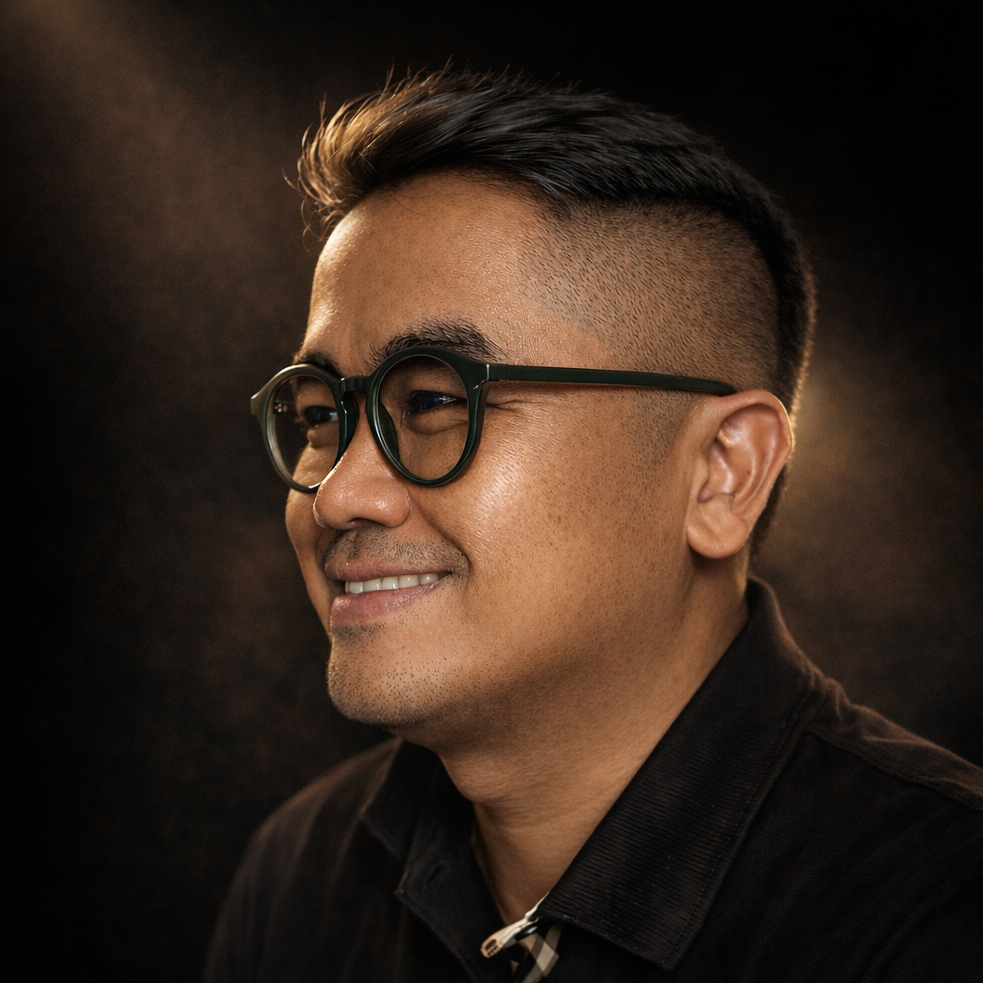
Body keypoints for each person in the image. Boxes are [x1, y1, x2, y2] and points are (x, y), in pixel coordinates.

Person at [205, 71, 982, 983]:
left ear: (722, 471)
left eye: (434, 401)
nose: (339, 495)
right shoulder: (301, 875)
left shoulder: (938, 913)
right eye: (320, 416)